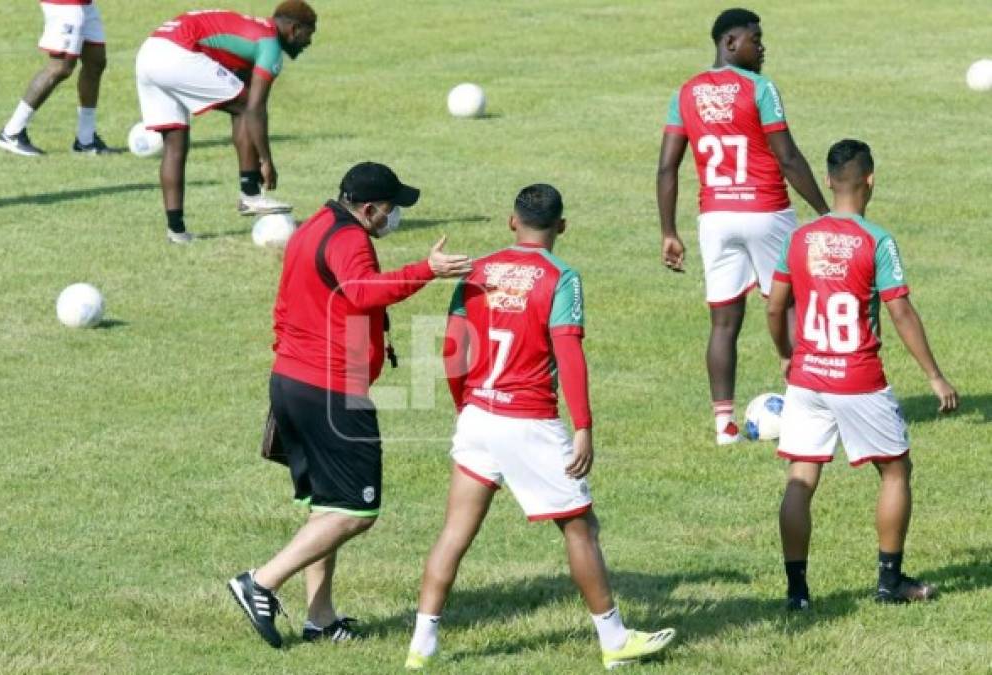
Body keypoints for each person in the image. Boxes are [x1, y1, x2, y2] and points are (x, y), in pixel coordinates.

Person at [404, 185, 676, 670]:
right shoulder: (561, 278)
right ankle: (614, 640)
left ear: (512, 221)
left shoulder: (479, 271)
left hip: (477, 418)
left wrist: (463, 406)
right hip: (527, 421)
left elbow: (451, 348)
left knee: (454, 534)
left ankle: (421, 648)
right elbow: (569, 354)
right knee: (580, 527)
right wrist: (585, 426)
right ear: (562, 227)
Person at [228, 162, 472, 648]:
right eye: (390, 208)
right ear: (367, 209)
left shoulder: (313, 227)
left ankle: (320, 618)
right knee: (357, 513)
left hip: (293, 380)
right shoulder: (349, 240)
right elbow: (361, 292)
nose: (394, 216)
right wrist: (428, 270)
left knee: (327, 505)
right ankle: (261, 582)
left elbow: (286, 305)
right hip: (331, 392)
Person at [766, 139, 959, 610]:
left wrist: (787, 354)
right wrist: (934, 375)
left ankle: (797, 592)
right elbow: (901, 312)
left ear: (829, 181)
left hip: (808, 377)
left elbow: (775, 306)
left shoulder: (799, 239)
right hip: (858, 376)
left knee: (801, 477)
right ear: (870, 179)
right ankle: (889, 583)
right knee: (895, 470)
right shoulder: (876, 241)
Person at [657, 7, 830, 445]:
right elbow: (788, 157)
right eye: (756, 38)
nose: (762, 45)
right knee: (790, 307)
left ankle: (724, 426)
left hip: (715, 217)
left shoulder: (687, 92)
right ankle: (804, 412)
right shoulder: (760, 89)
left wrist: (668, 231)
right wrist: (827, 214)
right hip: (766, 211)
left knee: (723, 323)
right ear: (729, 42)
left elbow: (667, 169)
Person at [135, 2, 317, 244]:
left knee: (175, 143)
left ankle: (176, 232)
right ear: (294, 29)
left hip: (149, 52)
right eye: (309, 33)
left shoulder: (253, 29)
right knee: (244, 107)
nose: (309, 42)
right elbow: (254, 110)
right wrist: (266, 161)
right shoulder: (269, 45)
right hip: (177, 53)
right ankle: (250, 193)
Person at [0, 0, 118, 156]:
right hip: (65, 4)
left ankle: (86, 141)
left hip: (84, 4)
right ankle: (11, 132)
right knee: (60, 67)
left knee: (95, 62)